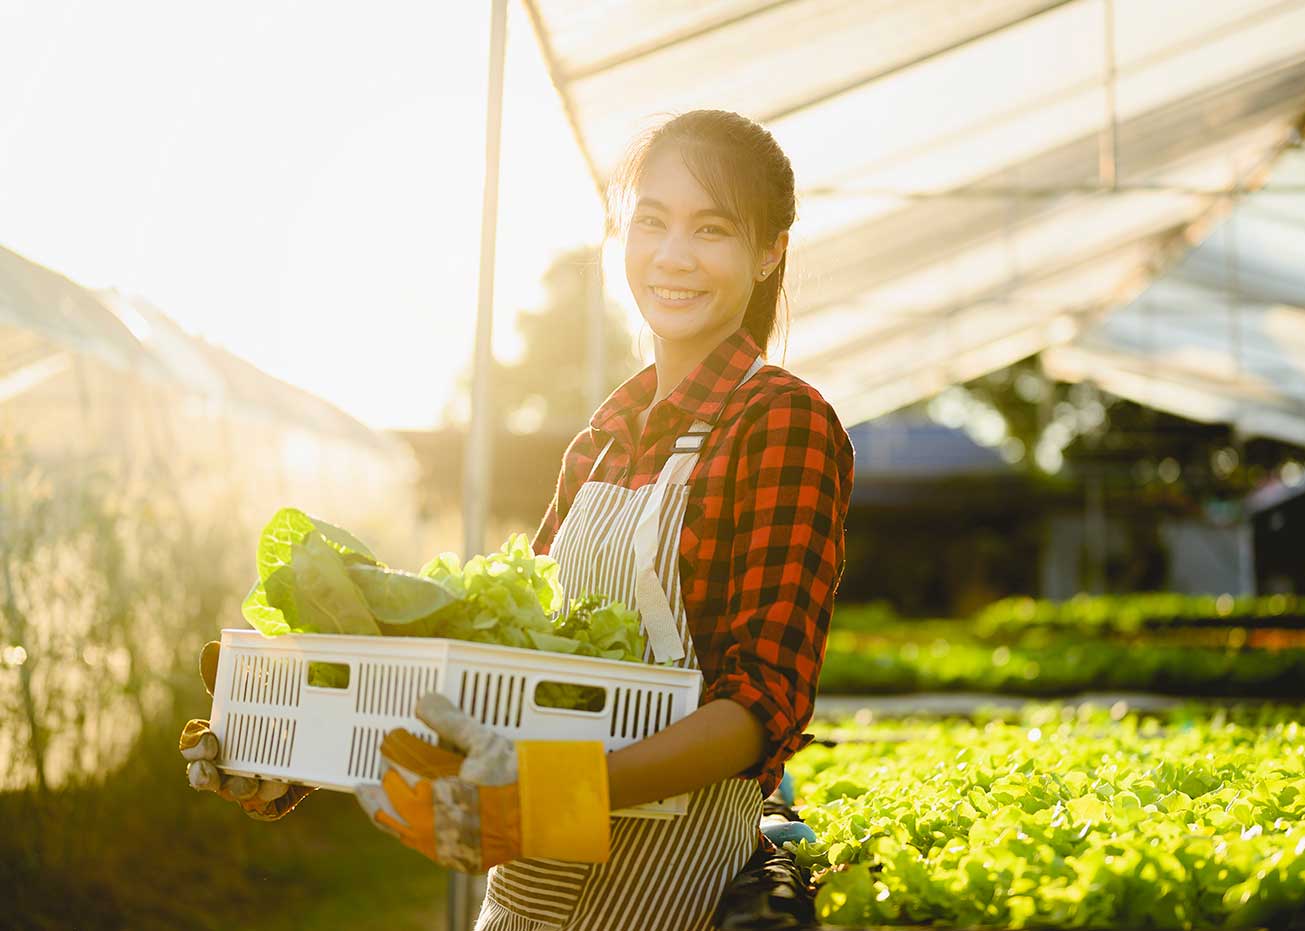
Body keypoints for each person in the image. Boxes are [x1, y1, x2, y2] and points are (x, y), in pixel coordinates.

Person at [182, 108, 854, 931]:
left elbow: (766, 703)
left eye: (712, 228)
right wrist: (290, 752)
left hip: (669, 895)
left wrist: (552, 791)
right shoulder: (600, 443)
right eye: (651, 221)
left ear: (768, 250)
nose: (673, 255)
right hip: (521, 898)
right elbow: (498, 677)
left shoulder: (783, 422)